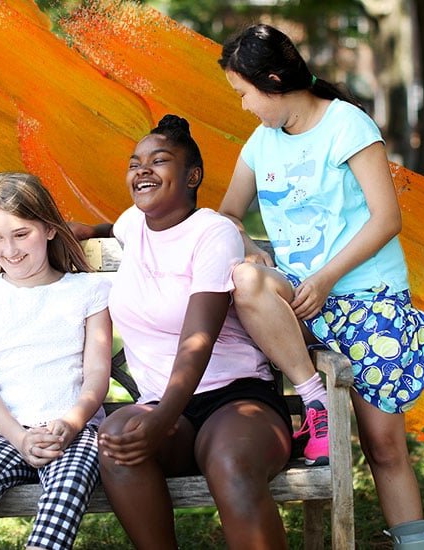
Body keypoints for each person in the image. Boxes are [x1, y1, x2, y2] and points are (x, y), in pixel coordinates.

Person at [218, 24, 424, 549]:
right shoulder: (260, 142)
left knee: (384, 446)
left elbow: (386, 219)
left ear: (273, 80)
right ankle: (313, 400)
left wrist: (326, 277)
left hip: (366, 300)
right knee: (246, 279)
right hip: (299, 301)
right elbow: (227, 213)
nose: (244, 106)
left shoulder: (348, 126)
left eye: (245, 93)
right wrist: (252, 249)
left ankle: (417, 543)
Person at [71, 115, 293, 549]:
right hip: (164, 406)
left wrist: (162, 419)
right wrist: (88, 231)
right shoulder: (133, 224)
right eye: (135, 163)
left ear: (193, 175)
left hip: (236, 397)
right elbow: (113, 228)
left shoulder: (213, 233)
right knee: (116, 439)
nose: (142, 171)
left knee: (230, 463)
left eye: (159, 160)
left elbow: (199, 340)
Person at [0, 172, 112, 550]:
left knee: (68, 484)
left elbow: (96, 377)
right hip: (4, 431)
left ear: (50, 229)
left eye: (22, 234)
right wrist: (19, 437)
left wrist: (70, 424)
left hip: (72, 430)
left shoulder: (86, 292)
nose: (10, 250)